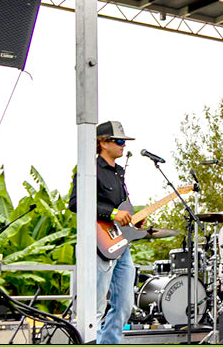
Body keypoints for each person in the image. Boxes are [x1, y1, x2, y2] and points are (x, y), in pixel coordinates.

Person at [66, 120, 136, 344]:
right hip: (98, 244)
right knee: (95, 305)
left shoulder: (119, 172)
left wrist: (131, 219)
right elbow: (76, 203)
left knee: (125, 303)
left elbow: (121, 207)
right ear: (103, 143)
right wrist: (112, 214)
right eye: (119, 141)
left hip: (120, 243)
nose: (123, 145)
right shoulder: (89, 169)